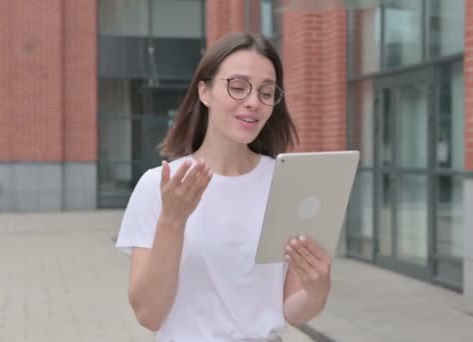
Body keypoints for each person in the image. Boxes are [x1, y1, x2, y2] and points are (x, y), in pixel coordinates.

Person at [115, 32, 332, 342]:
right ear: (204, 92)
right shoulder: (160, 185)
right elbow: (149, 314)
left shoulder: (288, 183)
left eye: (266, 92)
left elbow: (292, 311)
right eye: (238, 87)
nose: (254, 102)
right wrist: (172, 221)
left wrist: (318, 290)